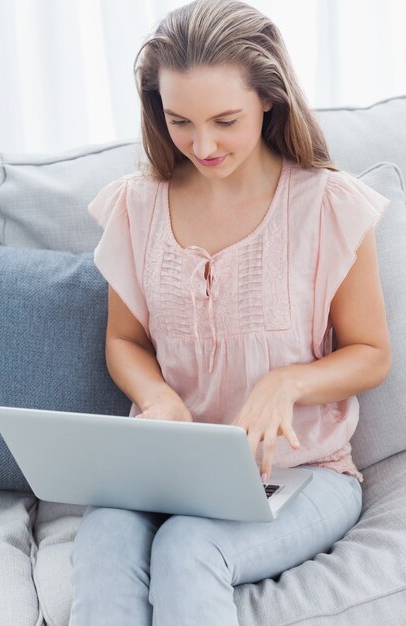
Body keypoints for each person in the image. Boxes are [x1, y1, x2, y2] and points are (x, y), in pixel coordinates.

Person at [68, 1, 392, 624]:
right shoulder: (138, 206)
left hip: (303, 472)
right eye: (179, 121)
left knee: (189, 545)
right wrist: (158, 398)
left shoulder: (327, 204)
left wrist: (286, 382)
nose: (203, 144)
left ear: (269, 99)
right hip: (166, 468)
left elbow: (372, 353)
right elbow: (124, 342)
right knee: (105, 534)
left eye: (224, 120)